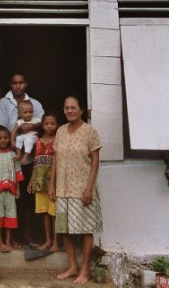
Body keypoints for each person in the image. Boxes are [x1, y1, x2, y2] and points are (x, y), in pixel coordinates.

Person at [49, 96, 102, 285]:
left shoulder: (90, 132)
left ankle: (85, 270)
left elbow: (95, 161)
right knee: (65, 229)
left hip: (81, 190)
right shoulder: (61, 131)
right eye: (66, 108)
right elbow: (55, 159)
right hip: (62, 189)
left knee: (85, 230)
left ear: (81, 111)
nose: (70, 110)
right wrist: (52, 185)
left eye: (73, 107)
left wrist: (89, 188)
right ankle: (73, 266)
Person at [0, 73, 44, 245]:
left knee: (28, 198)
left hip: (30, 159)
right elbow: (0, 127)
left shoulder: (35, 104)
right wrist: (17, 134)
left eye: (21, 82)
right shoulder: (3, 102)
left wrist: (30, 126)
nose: (18, 86)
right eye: (14, 82)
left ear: (26, 83)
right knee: (10, 197)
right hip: (9, 157)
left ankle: (27, 234)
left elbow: (43, 124)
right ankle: (13, 236)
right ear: (10, 84)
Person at [0, 125, 24, 252]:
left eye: (5, 138)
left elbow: (18, 171)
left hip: (11, 190)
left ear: (9, 138)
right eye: (0, 138)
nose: (3, 140)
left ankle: (8, 240)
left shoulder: (13, 154)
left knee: (10, 215)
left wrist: (18, 188)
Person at [27, 112, 59, 252]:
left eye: (52, 123)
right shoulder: (38, 141)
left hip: (54, 182)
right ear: (42, 125)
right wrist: (30, 181)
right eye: (46, 123)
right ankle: (48, 240)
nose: (49, 126)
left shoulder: (58, 140)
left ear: (57, 125)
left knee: (54, 213)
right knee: (44, 212)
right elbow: (35, 162)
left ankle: (56, 243)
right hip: (39, 182)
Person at [11, 100, 41, 164]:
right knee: (18, 138)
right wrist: (12, 141)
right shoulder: (19, 122)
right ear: (19, 113)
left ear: (33, 112)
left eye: (30, 112)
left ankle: (25, 157)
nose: (28, 114)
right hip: (23, 136)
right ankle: (18, 154)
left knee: (28, 141)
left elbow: (42, 127)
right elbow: (14, 131)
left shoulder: (36, 120)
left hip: (33, 137)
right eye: (25, 112)